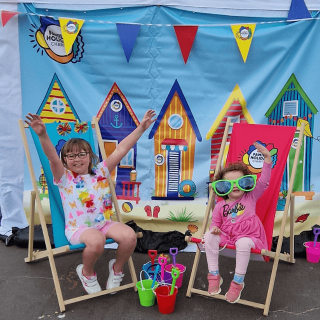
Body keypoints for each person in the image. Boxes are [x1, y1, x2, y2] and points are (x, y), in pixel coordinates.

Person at [25, 110, 156, 294]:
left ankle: (116, 269)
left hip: (103, 223)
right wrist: (43, 135)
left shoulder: (101, 171)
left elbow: (121, 149)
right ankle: (86, 273)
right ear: (65, 160)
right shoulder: (64, 177)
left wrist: (141, 128)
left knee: (130, 237)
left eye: (81, 154)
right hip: (78, 229)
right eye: (71, 156)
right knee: (97, 241)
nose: (77, 159)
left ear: (90, 156)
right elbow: (52, 159)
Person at [204, 141, 271, 303]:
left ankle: (237, 282)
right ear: (222, 187)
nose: (235, 186)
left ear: (247, 183)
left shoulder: (250, 196)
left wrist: (267, 159)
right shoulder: (220, 206)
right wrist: (214, 230)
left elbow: (264, 182)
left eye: (240, 182)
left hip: (251, 238)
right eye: (229, 183)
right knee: (208, 236)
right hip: (229, 238)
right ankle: (214, 275)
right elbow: (215, 224)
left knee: (242, 242)